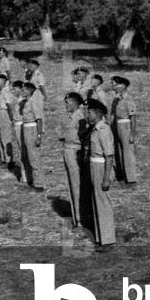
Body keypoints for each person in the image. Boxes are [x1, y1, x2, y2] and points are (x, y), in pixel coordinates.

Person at [84, 99, 116, 251]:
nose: (87, 115)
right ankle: (100, 238)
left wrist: (106, 178)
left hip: (101, 168)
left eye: (89, 112)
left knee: (103, 203)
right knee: (96, 202)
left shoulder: (104, 130)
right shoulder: (95, 129)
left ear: (97, 114)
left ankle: (108, 240)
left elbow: (109, 156)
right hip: (94, 166)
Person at [61, 92, 87, 228]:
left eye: (68, 103)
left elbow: (83, 137)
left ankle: (81, 219)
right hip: (68, 150)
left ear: (75, 103)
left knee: (77, 185)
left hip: (75, 151)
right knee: (72, 184)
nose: (66, 106)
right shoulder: (72, 116)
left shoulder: (80, 117)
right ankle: (77, 217)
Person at [110, 76, 138, 185]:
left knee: (127, 152)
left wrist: (132, 134)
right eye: (113, 84)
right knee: (119, 151)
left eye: (117, 85)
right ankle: (122, 176)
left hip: (126, 126)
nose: (115, 87)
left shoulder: (128, 99)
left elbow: (133, 118)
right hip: (117, 126)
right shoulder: (117, 100)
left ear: (124, 86)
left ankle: (131, 179)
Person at [19, 81, 45, 190]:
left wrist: (39, 136)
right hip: (26, 129)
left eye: (24, 89)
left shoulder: (33, 102)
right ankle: (33, 181)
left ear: (30, 91)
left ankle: (39, 184)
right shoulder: (25, 102)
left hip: (32, 130)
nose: (22, 91)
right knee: (29, 156)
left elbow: (39, 120)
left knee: (34, 157)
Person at [0, 73, 15, 165]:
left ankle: (9, 160)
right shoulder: (1, 91)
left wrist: (12, 118)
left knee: (6, 137)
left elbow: (9, 106)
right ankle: (3, 158)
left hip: (4, 115)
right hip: (0, 114)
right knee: (0, 136)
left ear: (3, 81)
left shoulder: (6, 92)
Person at [10, 80, 27, 182]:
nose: (13, 91)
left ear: (21, 89)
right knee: (20, 150)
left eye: (15, 89)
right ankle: (24, 174)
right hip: (17, 125)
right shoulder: (17, 100)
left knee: (23, 150)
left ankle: (26, 175)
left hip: (21, 125)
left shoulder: (23, 101)